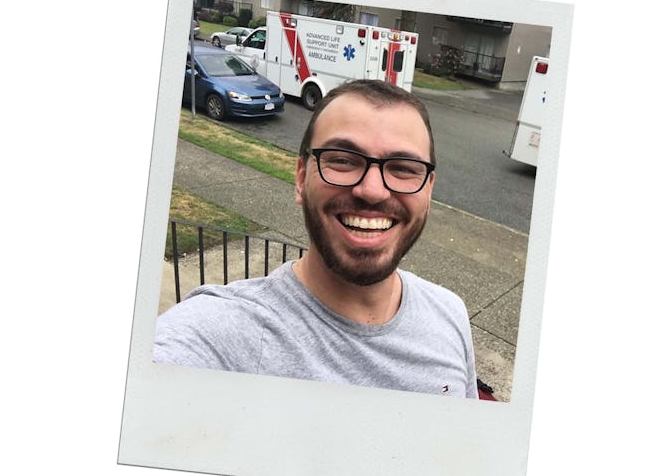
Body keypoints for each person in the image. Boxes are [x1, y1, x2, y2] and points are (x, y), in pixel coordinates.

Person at [154, 79, 478, 398]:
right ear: (300, 178)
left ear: (429, 188)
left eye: (404, 168)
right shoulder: (218, 335)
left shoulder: (451, 314)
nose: (373, 191)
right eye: (342, 160)